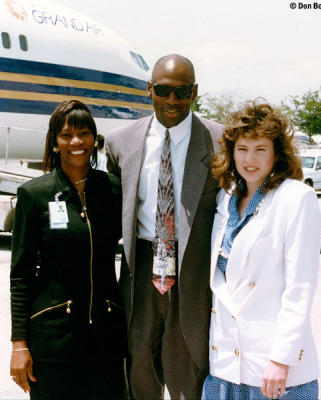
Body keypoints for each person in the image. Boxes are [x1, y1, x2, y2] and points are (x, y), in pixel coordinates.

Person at [105, 54, 222, 399]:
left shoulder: (220, 141)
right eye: (165, 90)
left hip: (194, 273)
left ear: (195, 92)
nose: (173, 100)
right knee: (138, 361)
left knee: (189, 368)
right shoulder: (119, 142)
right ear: (149, 89)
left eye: (183, 91)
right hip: (140, 269)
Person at [202, 100, 321, 400]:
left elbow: (299, 288)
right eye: (242, 148)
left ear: (277, 153)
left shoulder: (296, 198)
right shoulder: (225, 198)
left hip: (273, 369)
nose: (249, 159)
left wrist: (281, 359)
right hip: (226, 365)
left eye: (260, 149)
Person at [10, 100, 126, 399]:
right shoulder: (34, 195)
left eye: (84, 133)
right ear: (54, 143)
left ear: (94, 139)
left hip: (106, 336)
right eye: (66, 135)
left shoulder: (113, 189)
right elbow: (21, 274)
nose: (76, 142)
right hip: (53, 339)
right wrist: (19, 344)